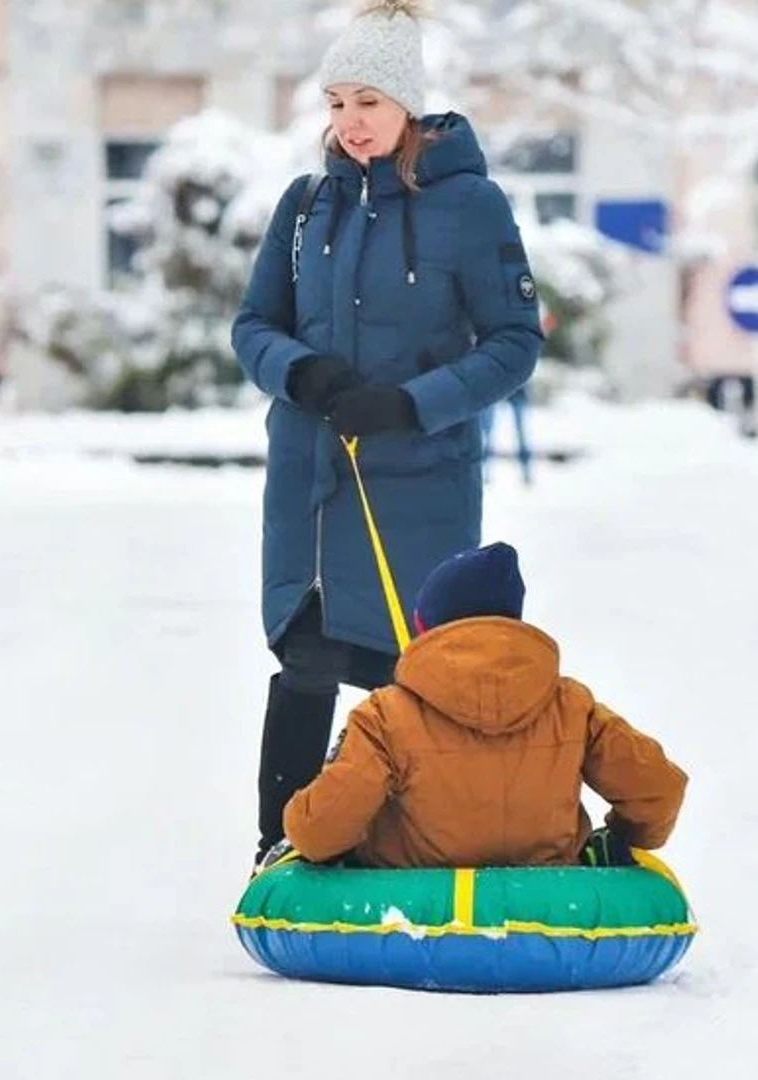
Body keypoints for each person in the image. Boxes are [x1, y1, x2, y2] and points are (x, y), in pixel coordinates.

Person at [232, 0, 543, 864]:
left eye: (367, 101)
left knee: (416, 680)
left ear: (408, 103)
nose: (349, 122)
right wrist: (301, 372)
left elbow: (516, 345)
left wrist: (414, 404)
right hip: (311, 489)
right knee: (304, 665)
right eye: (335, 102)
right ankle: (284, 849)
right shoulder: (304, 207)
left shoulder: (471, 206)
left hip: (420, 491)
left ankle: (430, 837)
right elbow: (253, 324)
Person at [279, 543, 688, 869]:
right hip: (549, 894)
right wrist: (617, 838)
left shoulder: (384, 717)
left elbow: (321, 830)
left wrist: (297, 826)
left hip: (411, 898)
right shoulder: (572, 706)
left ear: (427, 628)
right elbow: (658, 791)